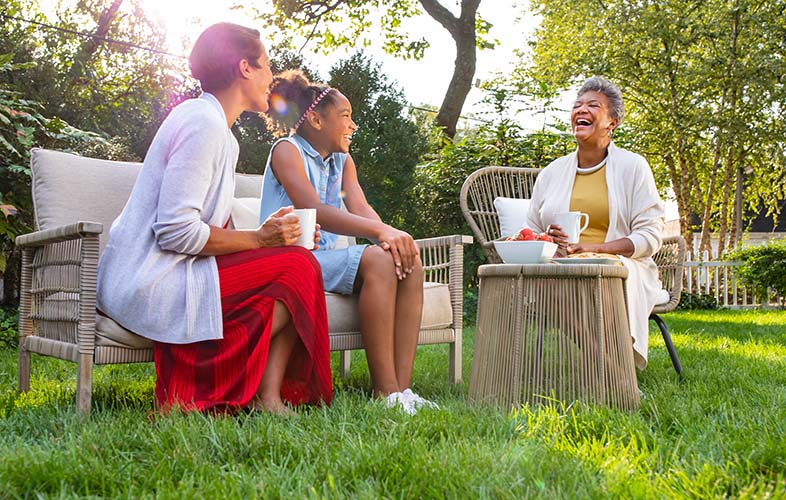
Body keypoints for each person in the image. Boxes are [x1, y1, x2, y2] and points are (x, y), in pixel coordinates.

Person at [96, 23, 332, 415]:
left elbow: (212, 230)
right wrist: (260, 240)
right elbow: (175, 232)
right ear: (244, 68)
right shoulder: (201, 123)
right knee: (299, 267)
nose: (272, 78)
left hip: (179, 270)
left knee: (295, 264)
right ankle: (201, 393)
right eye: (266, 66)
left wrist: (274, 234)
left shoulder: (223, 133)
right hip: (149, 280)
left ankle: (263, 394)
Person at [259, 70, 434, 414]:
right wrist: (382, 235)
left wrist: (392, 238)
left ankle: (403, 391)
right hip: (291, 261)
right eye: (345, 117)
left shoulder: (343, 161)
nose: (353, 126)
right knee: (380, 259)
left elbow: (361, 206)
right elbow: (316, 210)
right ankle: (385, 394)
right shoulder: (286, 151)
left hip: (325, 263)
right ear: (315, 119)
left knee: (408, 262)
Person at [526, 76, 665, 370]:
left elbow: (651, 234)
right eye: (577, 105)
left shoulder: (633, 167)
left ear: (612, 121)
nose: (581, 110)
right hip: (560, 265)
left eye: (593, 105)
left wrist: (594, 248)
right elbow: (530, 229)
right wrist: (547, 239)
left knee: (588, 279)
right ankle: (612, 369)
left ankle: (606, 368)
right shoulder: (551, 173)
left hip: (620, 265)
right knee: (550, 282)